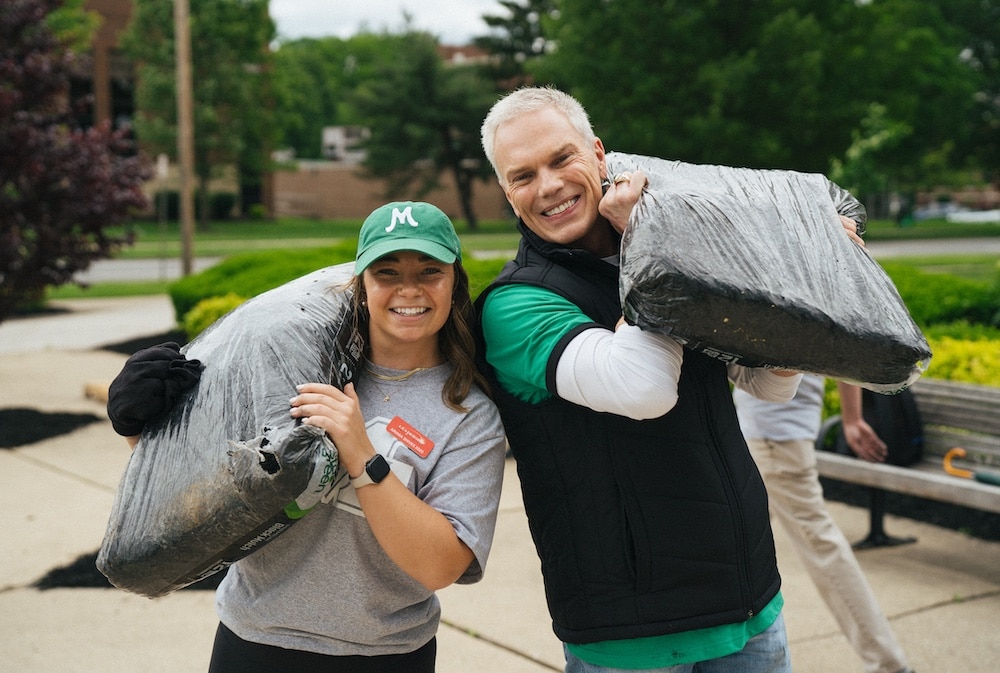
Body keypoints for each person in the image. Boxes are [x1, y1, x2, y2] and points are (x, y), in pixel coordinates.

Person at [476, 85, 809, 672]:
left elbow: (769, 384)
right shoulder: (516, 305)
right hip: (632, 633)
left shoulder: (675, 248)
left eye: (561, 158)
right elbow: (645, 389)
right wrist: (650, 244)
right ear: (507, 192)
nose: (549, 186)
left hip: (749, 600)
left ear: (599, 154)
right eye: (522, 176)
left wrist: (803, 289)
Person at [106, 201, 507, 673]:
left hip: (384, 656)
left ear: (454, 283)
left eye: (429, 271)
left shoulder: (467, 414)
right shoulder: (294, 367)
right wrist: (141, 427)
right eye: (387, 271)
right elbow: (204, 493)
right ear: (361, 286)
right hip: (251, 642)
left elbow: (443, 566)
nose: (409, 289)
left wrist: (362, 454)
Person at [734, 375, 915, 673]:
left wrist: (853, 418)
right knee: (738, 544)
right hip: (771, 431)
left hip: (774, 435)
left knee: (823, 549)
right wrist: (852, 418)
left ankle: (889, 664)